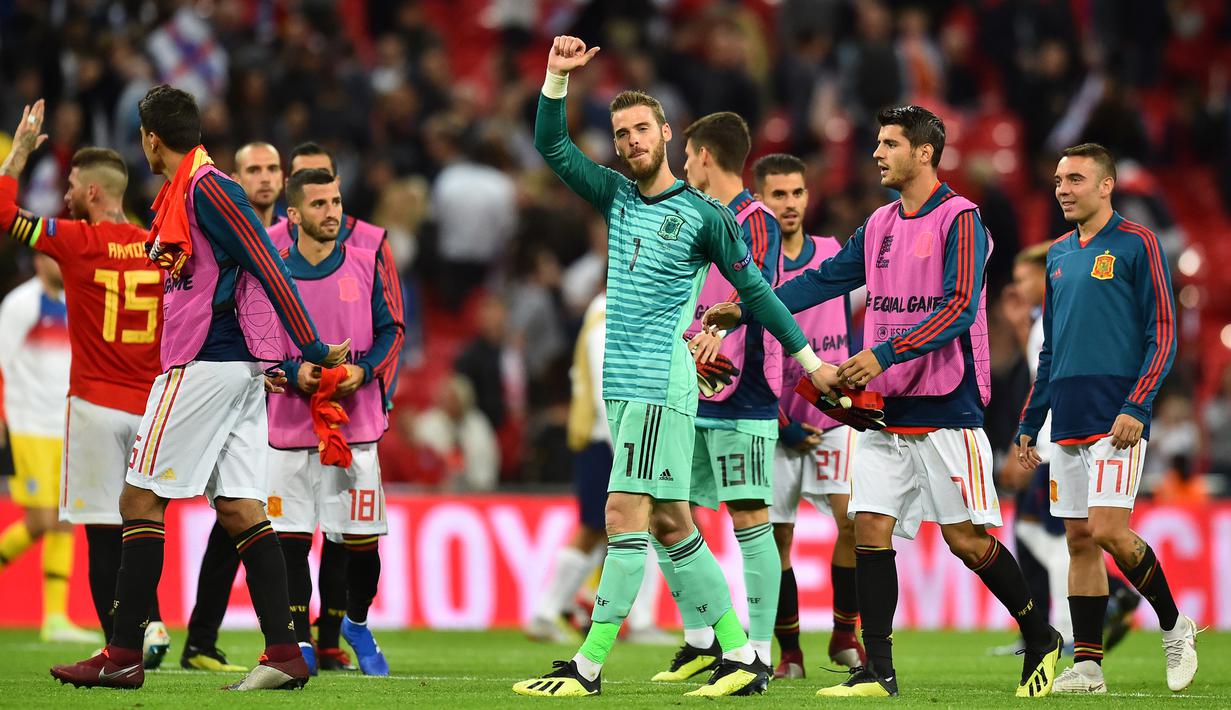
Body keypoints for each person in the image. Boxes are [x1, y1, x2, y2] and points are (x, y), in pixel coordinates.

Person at [512, 35, 838, 699]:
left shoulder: (704, 216)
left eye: (641, 129)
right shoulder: (615, 195)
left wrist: (808, 360)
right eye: (620, 133)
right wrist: (555, 78)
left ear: (666, 134)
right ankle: (740, 655)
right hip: (623, 387)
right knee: (670, 522)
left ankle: (588, 665)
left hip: (661, 383)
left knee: (622, 512)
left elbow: (757, 295)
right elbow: (551, 145)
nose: (631, 140)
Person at [705, 105, 1061, 698]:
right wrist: (747, 308)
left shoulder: (961, 220)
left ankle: (1040, 635)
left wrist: (884, 353)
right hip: (883, 409)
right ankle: (878, 669)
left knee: (965, 540)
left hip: (945, 406)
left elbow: (960, 307)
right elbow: (822, 280)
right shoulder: (879, 224)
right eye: (877, 143)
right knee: (867, 526)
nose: (876, 153)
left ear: (924, 152)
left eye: (889, 143)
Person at [51, 84, 348, 691]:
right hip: (232, 369)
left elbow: (267, 263)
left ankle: (122, 653)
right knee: (240, 508)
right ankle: (284, 653)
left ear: (150, 139)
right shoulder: (183, 191)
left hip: (205, 363)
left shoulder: (208, 188)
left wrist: (310, 346)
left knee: (138, 499)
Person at [1017, 143, 1196, 694]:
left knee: (1107, 530)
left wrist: (1138, 405)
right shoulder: (1058, 254)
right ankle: (1089, 667)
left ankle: (1174, 625)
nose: (1063, 189)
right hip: (1067, 419)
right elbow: (1051, 350)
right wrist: (1030, 422)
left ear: (1105, 185)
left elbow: (1163, 332)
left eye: (1075, 179)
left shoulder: (1138, 243)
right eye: (1058, 180)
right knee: (1079, 541)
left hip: (1117, 417)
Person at [0, 102, 176, 662]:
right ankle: (149, 624)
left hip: (95, 406)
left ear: (94, 192)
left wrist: (19, 153)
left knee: (102, 533)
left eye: (73, 186)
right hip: (150, 410)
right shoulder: (160, 248)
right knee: (143, 526)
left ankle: (116, 652)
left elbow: (3, 211)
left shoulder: (75, 240)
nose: (68, 195)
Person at [648, 111, 789, 681]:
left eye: (687, 156)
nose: (684, 166)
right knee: (662, 512)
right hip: (691, 391)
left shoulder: (757, 220)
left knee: (750, 517)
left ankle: (758, 650)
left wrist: (721, 327)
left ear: (705, 156)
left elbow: (757, 289)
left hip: (743, 394)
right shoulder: (695, 215)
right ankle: (702, 637)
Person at [269, 141, 406, 670]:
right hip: (288, 425)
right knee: (290, 541)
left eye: (336, 202)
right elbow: (258, 341)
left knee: (360, 542)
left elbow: (393, 331)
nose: (332, 213)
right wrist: (291, 372)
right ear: (294, 215)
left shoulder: (366, 262)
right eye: (319, 204)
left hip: (356, 425)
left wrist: (362, 372)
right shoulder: (273, 270)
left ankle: (357, 621)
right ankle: (300, 640)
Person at [178, 140, 290, 673]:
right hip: (234, 383)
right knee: (234, 515)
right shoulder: (223, 237)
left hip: (284, 401)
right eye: (253, 170)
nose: (264, 178)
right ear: (236, 180)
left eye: (271, 168)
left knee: (244, 517)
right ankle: (198, 638)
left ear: (283, 178)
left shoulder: (291, 241)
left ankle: (301, 641)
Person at [753, 153, 865, 679]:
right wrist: (782, 425)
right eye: (778, 194)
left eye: (797, 192)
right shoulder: (752, 267)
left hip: (833, 416)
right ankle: (790, 653)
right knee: (777, 538)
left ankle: (844, 636)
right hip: (775, 422)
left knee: (854, 521)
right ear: (759, 200)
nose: (790, 203)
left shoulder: (834, 253)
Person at [525, 289, 670, 646]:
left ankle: (548, 612)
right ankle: (640, 620)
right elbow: (606, 390)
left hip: (603, 439)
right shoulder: (607, 316)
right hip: (608, 439)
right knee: (633, 524)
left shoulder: (605, 313)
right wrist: (625, 448)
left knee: (599, 530)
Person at [0, 246, 92, 645]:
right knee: (40, 520)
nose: (61, 260)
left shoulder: (75, 300)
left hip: (67, 426)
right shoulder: (21, 304)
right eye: (53, 256)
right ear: (39, 261)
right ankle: (53, 617)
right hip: (29, 425)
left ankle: (55, 618)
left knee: (66, 517)